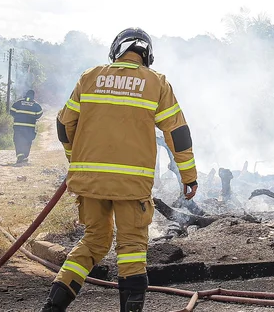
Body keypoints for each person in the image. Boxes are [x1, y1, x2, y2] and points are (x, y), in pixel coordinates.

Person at [42, 28, 198, 312]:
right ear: (147, 55)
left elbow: (64, 124)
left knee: (93, 241)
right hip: (131, 186)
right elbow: (178, 133)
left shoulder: (90, 78)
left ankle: (52, 308)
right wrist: (189, 176)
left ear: (116, 50)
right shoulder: (156, 83)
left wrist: (75, 160)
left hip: (89, 182)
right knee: (132, 249)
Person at [9, 89, 44, 165]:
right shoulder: (36, 105)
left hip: (18, 126)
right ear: (33, 96)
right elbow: (40, 114)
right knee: (28, 141)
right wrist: (33, 117)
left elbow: (11, 111)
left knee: (18, 140)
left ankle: (20, 155)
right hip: (29, 127)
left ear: (26, 95)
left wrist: (18, 117)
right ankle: (24, 156)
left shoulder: (18, 103)